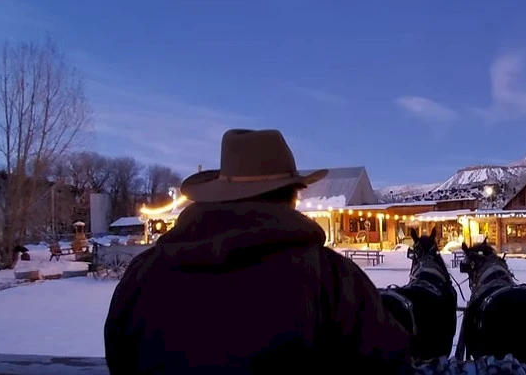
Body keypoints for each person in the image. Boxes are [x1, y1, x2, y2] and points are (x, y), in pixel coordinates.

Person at [104, 129, 412, 374]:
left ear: (218, 195)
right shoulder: (332, 279)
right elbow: (388, 362)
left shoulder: (144, 274)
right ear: (293, 196)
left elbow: (120, 358)